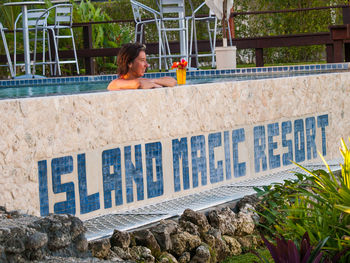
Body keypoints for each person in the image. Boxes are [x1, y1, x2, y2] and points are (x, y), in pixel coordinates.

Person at [107, 43, 177, 90]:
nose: (146, 65)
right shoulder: (115, 83)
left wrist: (152, 81)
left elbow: (172, 81)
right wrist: (147, 83)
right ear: (129, 63)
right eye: (142, 60)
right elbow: (138, 84)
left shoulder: (144, 80)